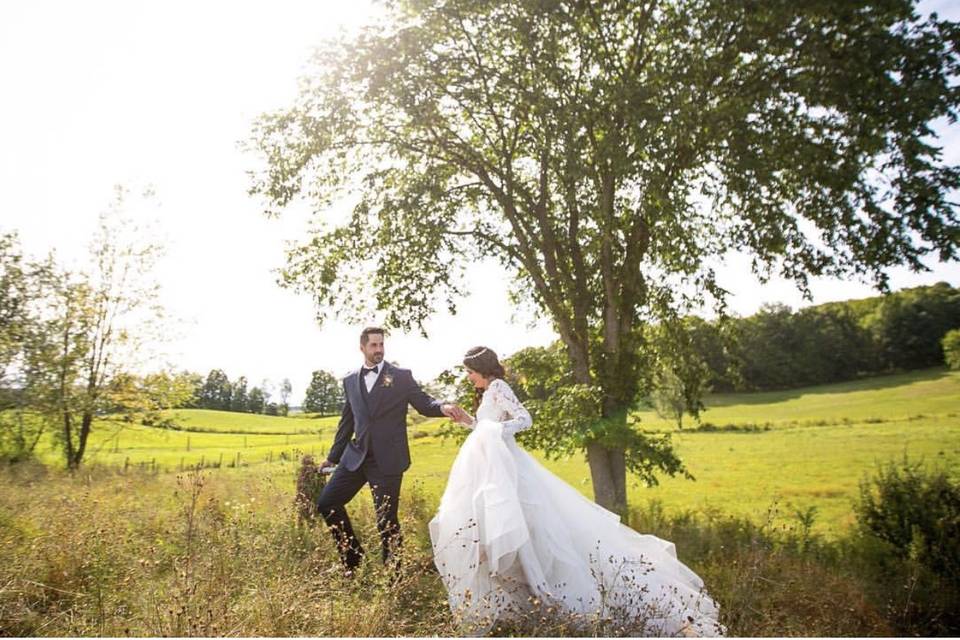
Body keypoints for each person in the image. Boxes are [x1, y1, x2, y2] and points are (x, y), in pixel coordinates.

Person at [429, 346, 725, 636]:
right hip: (495, 469)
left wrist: (491, 430)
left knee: (533, 531)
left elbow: (524, 420)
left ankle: (557, 598)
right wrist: (470, 421)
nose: (468, 377)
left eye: (469, 372)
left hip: (511, 471)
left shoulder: (499, 387)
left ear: (482, 369)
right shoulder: (488, 391)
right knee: (509, 532)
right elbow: (486, 426)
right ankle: (528, 600)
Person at [316, 326, 466, 574]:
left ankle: (394, 576)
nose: (378, 350)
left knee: (386, 520)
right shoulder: (350, 380)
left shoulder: (401, 376)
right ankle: (352, 560)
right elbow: (347, 422)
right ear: (362, 347)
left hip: (387, 461)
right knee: (327, 503)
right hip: (356, 458)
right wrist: (332, 457)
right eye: (373, 345)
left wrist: (443, 406)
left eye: (381, 345)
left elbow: (424, 402)